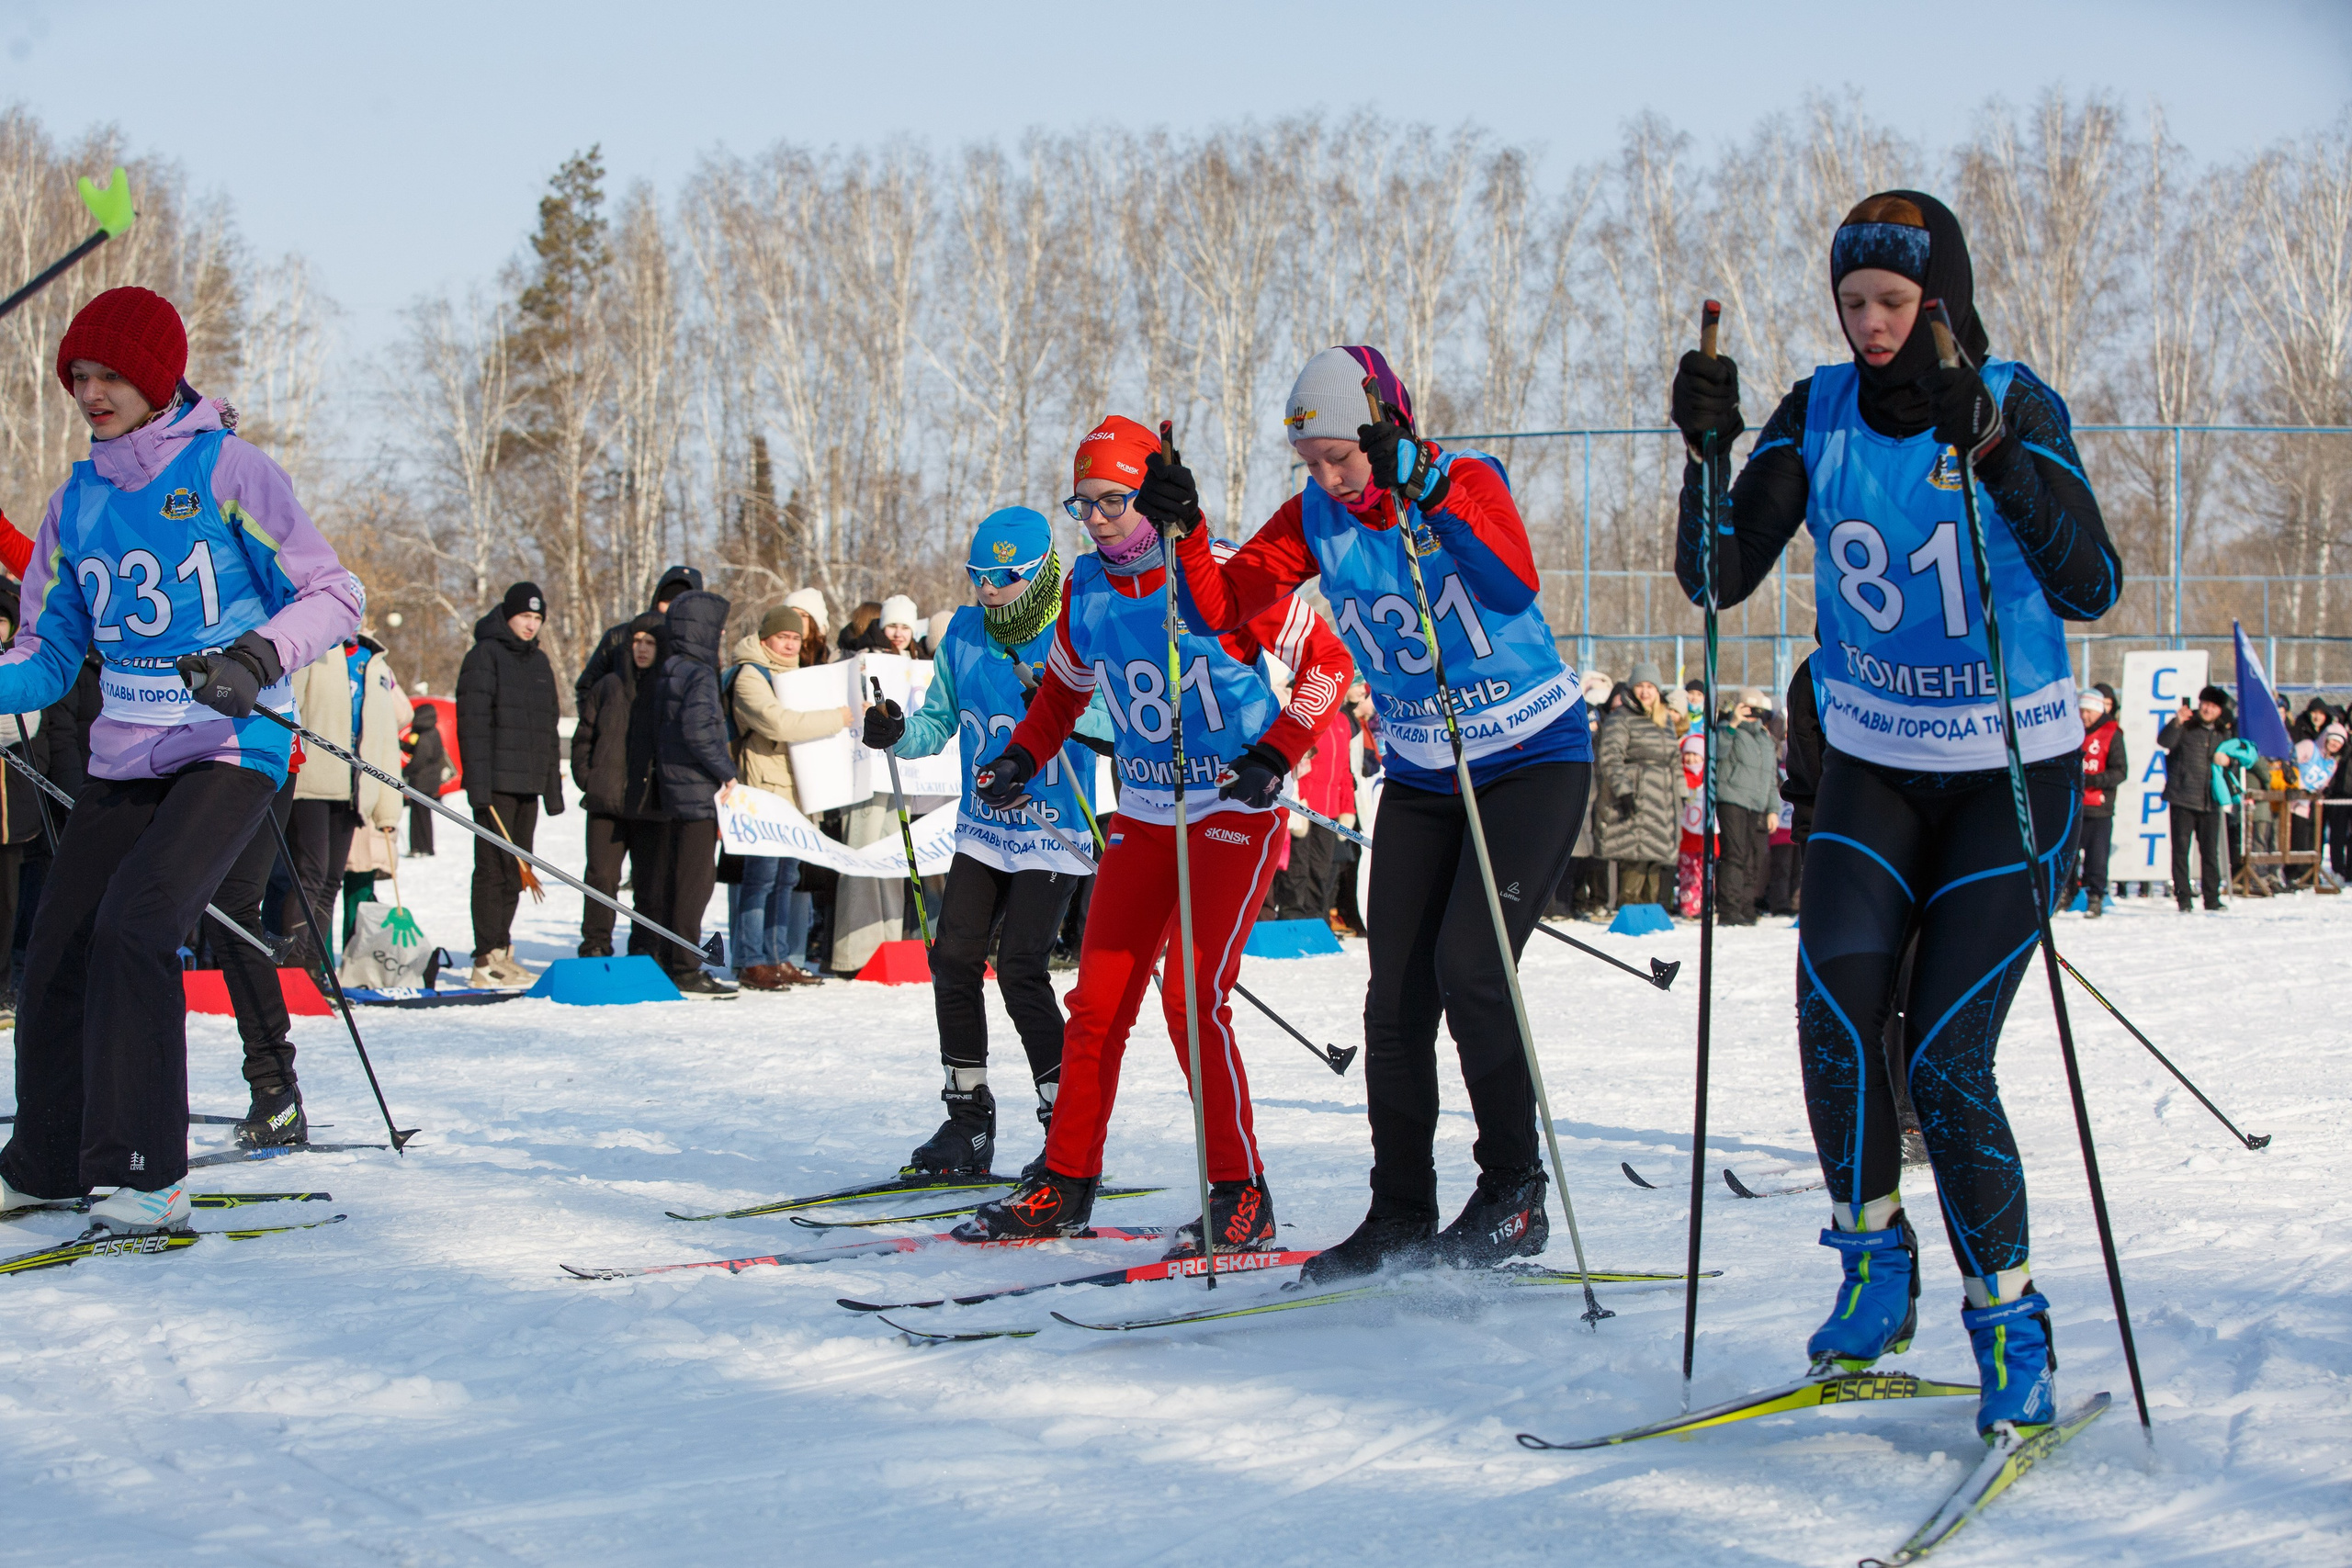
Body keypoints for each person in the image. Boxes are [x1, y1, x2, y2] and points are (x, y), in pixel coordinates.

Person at [1669, 191, 2120, 1435]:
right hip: (1870, 763)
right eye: (1852, 301)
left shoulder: (2013, 398)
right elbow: (1716, 573)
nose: (1869, 324)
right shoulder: (1816, 409)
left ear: (1944, 301)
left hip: (2009, 779)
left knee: (1945, 1056)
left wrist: (2000, 457)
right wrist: (1702, 459)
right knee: (1836, 1011)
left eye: (1893, 302)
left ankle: (2011, 1321)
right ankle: (1874, 1267)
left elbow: (2093, 579)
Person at [1169, 342, 1595, 1283]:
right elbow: (1219, 610)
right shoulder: (1314, 515)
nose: (1326, 478)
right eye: (1310, 462)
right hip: (1423, 773)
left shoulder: (1463, 476)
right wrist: (1185, 531)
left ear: (1386, 429)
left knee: (1472, 971)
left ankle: (1512, 1194)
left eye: (1341, 457)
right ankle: (1400, 1206)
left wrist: (1431, 488)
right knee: (1394, 999)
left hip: (1528, 757)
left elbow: (1511, 585)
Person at [0, 286, 362, 1229]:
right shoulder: (76, 503)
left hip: (231, 745)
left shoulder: (231, 472)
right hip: (127, 754)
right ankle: (44, 1161)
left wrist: (256, 657)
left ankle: (143, 1172)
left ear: (157, 377)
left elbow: (334, 592)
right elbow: (45, 655)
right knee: (58, 945)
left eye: (110, 373)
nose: (91, 391)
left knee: (137, 924)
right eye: (78, 375)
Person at [959, 415, 1351, 1255]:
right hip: (1142, 809)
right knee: (1097, 1004)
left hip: (1230, 809)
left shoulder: (1220, 573)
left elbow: (1328, 666)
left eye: (1113, 501)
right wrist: (1020, 756)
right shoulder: (1089, 590)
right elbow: (1063, 692)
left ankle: (1240, 1192)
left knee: (1191, 997)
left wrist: (1277, 751)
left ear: (1150, 495)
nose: (1096, 520)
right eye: (1084, 504)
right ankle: (1064, 1182)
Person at [863, 507, 1114, 1175]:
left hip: (1052, 827)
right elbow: (937, 723)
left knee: (1022, 971)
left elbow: (1109, 722)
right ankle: (967, 1122)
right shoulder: (965, 633)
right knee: (951, 961)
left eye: (1003, 576)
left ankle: (1067, 1128)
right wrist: (896, 732)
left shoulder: (1072, 627)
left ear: (1035, 574)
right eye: (977, 575)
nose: (987, 588)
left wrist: (1060, 706)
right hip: (982, 828)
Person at [728, 604, 854, 988]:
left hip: (798, 787)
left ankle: (778, 956)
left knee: (786, 878)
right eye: (782, 637)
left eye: (795, 638)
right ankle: (751, 959)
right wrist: (840, 716)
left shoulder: (798, 676)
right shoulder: (750, 675)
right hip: (765, 786)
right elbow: (779, 723)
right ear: (765, 637)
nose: (789, 645)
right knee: (761, 877)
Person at [457, 582, 564, 987]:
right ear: (508, 616)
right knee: (492, 870)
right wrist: (479, 787)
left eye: (537, 619)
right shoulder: (485, 656)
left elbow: (549, 728)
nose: (530, 625)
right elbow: (473, 725)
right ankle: (485, 957)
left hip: (528, 785)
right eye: (525, 617)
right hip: (496, 783)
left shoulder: (539, 662)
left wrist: (550, 788)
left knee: (518, 869)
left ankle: (503, 949)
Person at [283, 624, 403, 968]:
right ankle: (294, 969)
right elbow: (291, 710)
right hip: (312, 783)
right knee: (310, 876)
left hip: (355, 789)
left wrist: (387, 808)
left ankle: (314, 969)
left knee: (331, 882)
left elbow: (385, 737)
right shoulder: (314, 651)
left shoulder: (375, 663)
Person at [0, 581, 86, 1028]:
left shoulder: (23, 661)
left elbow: (31, 722)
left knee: (12, 899)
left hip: (16, 806)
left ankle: (6, 983)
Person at [650, 588, 740, 997]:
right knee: (694, 884)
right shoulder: (700, 674)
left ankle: (669, 954)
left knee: (674, 879)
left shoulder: (671, 667)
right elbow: (701, 732)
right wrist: (727, 773)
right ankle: (686, 963)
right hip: (696, 793)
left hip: (672, 789)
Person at [571, 614, 674, 960]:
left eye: (650, 642)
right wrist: (590, 779)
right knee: (601, 879)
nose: (642, 649)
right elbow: (583, 738)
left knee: (650, 885)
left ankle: (645, 949)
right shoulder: (608, 686)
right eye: (637, 641)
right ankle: (595, 945)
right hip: (606, 803)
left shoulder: (670, 688)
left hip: (652, 805)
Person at [1596, 666, 1681, 908]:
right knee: (1635, 856)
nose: (1645, 692)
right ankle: (1629, 908)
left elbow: (1675, 759)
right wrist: (1623, 790)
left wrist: (1681, 794)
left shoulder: (1664, 720)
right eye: (1640, 686)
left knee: (1655, 857)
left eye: (1650, 687)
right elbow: (1611, 757)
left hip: (1663, 798)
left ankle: (1650, 910)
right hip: (1637, 793)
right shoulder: (1620, 718)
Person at [574, 564, 700, 708]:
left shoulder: (696, 649)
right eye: (667, 602)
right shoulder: (619, 637)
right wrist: (600, 723)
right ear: (656, 601)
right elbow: (586, 687)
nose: (673, 609)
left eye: (681, 604)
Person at [2158, 686, 2233, 912]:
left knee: (2210, 852)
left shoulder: (2223, 733)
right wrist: (2177, 722)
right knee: (2181, 851)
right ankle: (2184, 899)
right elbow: (2165, 742)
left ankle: (2211, 898)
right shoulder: (2186, 726)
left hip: (2210, 799)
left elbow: (2237, 759)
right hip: (2182, 796)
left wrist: (2228, 761)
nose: (2208, 709)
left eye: (2214, 706)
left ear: (2220, 711)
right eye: (2205, 703)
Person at [1714, 687, 1779, 927]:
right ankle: (1729, 910)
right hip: (1732, 798)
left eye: (1756, 710)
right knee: (1735, 855)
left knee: (1754, 857)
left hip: (1757, 803)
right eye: (1747, 708)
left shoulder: (1765, 739)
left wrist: (1773, 808)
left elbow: (1770, 776)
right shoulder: (1726, 730)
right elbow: (1717, 753)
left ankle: (1746, 907)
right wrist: (1732, 723)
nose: (1752, 714)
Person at [2074, 683, 2126, 917]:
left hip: (2099, 806)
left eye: (2089, 712)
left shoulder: (2112, 733)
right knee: (2068, 856)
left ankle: (2095, 897)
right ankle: (2067, 894)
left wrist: (2092, 780)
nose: (2085, 716)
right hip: (2074, 805)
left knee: (2097, 857)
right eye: (2081, 711)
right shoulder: (2072, 731)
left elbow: (2120, 771)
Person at [400, 700, 447, 856]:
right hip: (428, 780)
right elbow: (418, 751)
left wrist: (405, 772)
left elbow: (420, 758)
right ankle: (425, 846)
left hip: (421, 781)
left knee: (418, 816)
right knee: (423, 815)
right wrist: (403, 745)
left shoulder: (426, 735)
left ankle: (420, 847)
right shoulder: (431, 732)